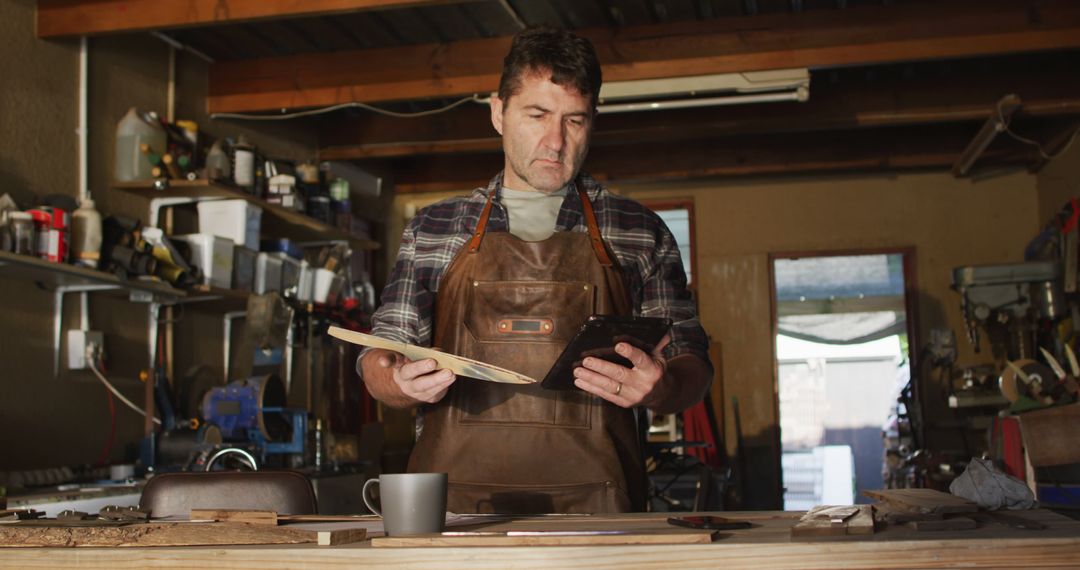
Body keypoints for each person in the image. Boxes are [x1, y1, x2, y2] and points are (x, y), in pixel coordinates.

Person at [358, 25, 713, 514]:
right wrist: (395, 382)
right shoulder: (434, 228)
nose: (555, 141)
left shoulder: (638, 231)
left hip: (600, 513)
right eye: (537, 114)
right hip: (456, 515)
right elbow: (379, 355)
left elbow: (692, 361)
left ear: (593, 122)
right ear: (498, 113)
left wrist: (664, 385)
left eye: (574, 120)